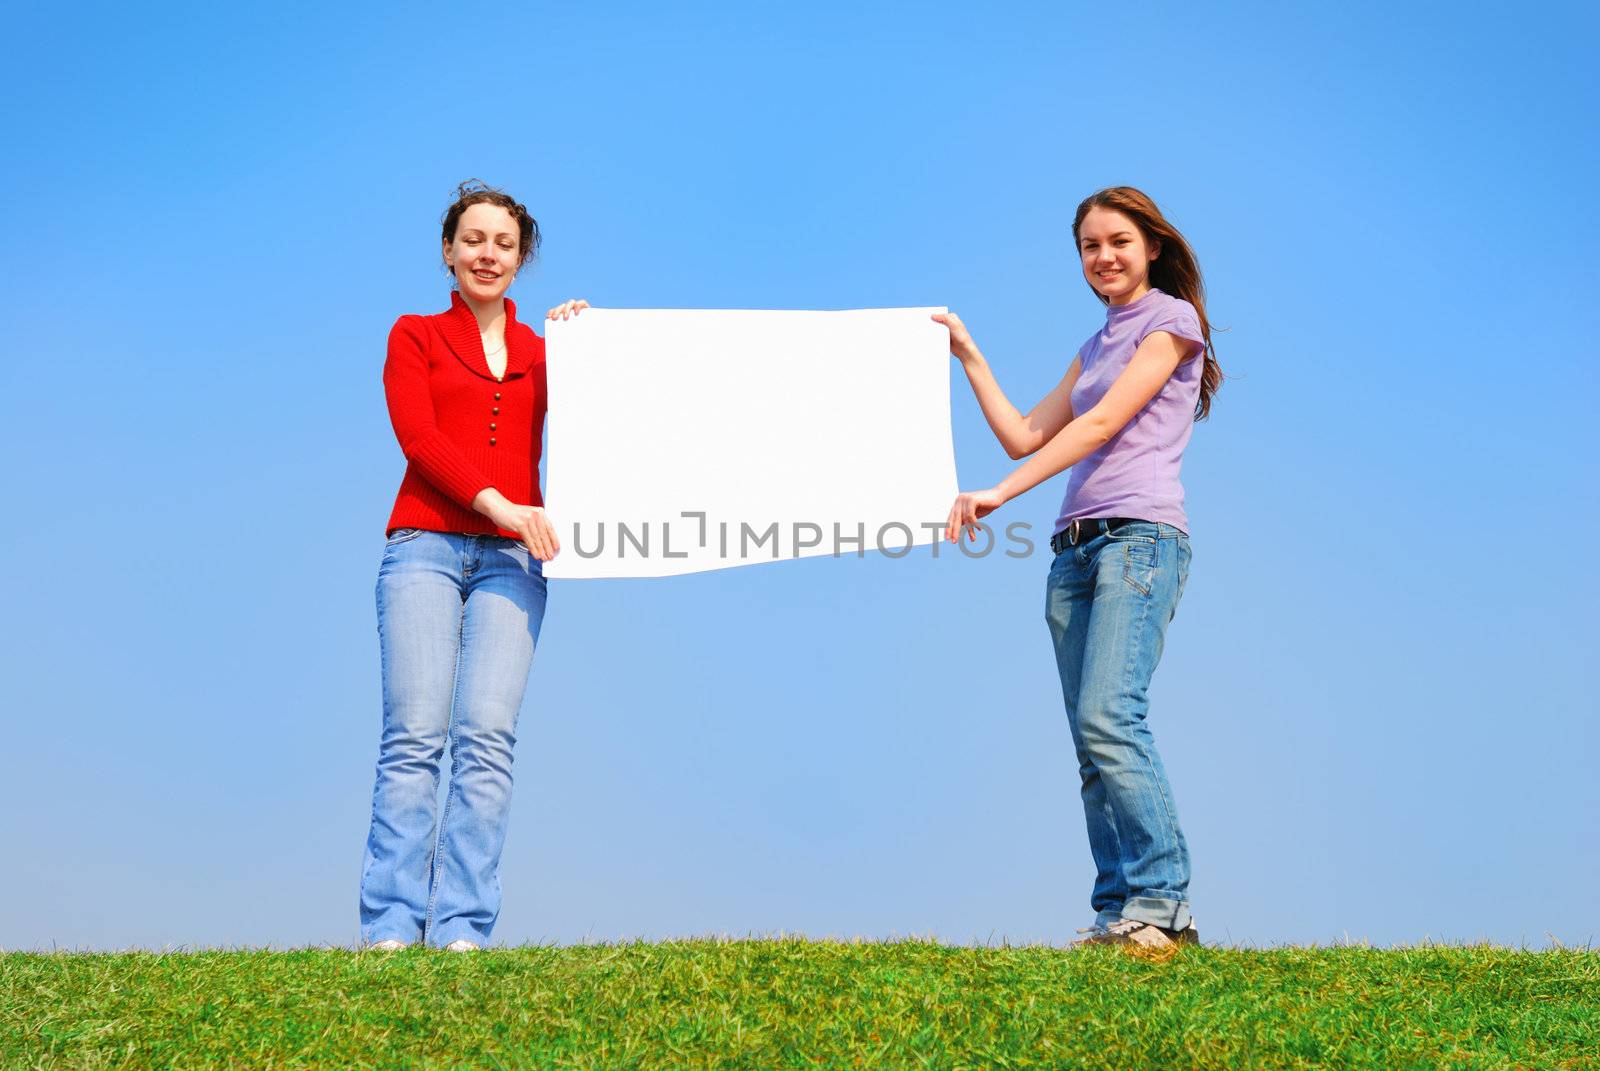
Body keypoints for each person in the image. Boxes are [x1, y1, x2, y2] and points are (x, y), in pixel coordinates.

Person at [938, 186, 1221, 951]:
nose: (1104, 257)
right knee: (1089, 740)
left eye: (1119, 241)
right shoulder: (1098, 343)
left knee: (1110, 717)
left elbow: (1101, 422)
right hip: (1074, 551)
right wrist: (968, 353)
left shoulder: (1172, 321)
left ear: (1152, 245)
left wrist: (998, 496)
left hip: (1140, 539)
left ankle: (1165, 903)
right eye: (1090, 246)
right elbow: (1027, 434)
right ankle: (1118, 910)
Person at [359, 180, 584, 951]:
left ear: (522, 260)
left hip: (515, 561)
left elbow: (611, 417)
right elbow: (420, 440)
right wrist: (499, 504)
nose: (488, 254)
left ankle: (462, 929)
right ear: (449, 252)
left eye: (504, 243)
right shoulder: (414, 335)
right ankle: (391, 926)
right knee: (415, 736)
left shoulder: (544, 356)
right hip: (423, 544)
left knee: (487, 737)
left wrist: (593, 349)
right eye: (474, 240)